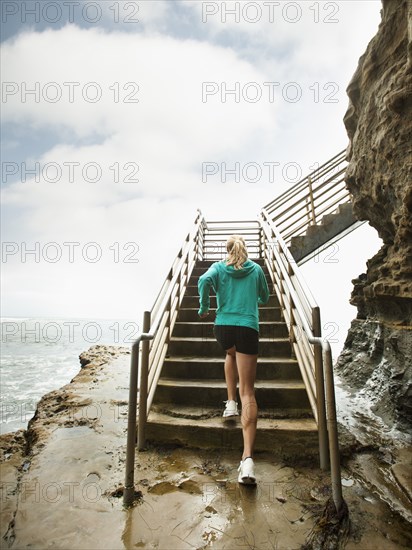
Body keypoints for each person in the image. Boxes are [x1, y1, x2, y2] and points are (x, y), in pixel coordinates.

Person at [198, 235, 270, 485]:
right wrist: (254, 298)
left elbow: (203, 280)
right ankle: (247, 460)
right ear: (245, 250)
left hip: (223, 327)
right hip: (247, 327)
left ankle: (230, 402)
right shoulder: (256, 269)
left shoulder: (218, 267)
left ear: (227, 250)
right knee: (248, 392)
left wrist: (204, 305)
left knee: (230, 353)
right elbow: (265, 297)